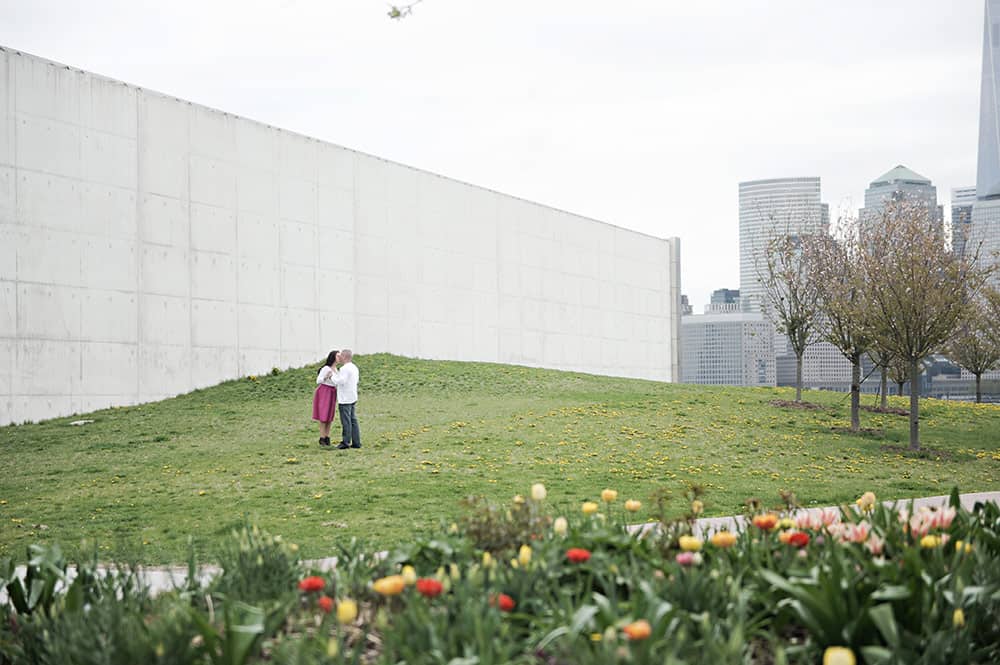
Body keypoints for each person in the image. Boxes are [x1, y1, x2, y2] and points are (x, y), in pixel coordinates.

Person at [327, 349, 361, 449]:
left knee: (346, 421)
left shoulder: (345, 368)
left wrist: (331, 376)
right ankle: (356, 442)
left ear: (344, 357)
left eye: (341, 356)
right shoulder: (354, 367)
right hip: (352, 396)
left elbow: (341, 381)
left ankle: (345, 442)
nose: (339, 358)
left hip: (345, 398)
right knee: (353, 419)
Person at [312, 350, 339, 447]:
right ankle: (322, 437)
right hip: (324, 391)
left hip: (332, 392)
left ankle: (327, 436)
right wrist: (326, 377)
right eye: (338, 356)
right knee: (323, 416)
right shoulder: (326, 368)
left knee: (329, 416)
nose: (340, 357)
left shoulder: (336, 369)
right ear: (333, 357)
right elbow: (318, 380)